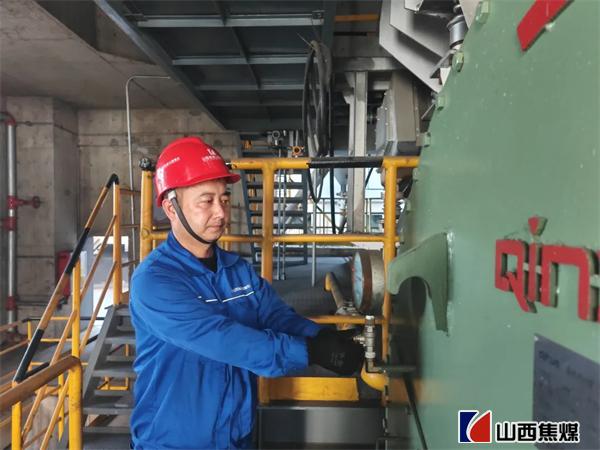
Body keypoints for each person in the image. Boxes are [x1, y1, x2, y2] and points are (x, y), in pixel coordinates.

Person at [129, 136, 364, 449]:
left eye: (224, 199)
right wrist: (310, 352)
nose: (221, 212)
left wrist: (322, 337)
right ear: (171, 208)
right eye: (206, 201)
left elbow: (274, 316)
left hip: (237, 437)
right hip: (174, 442)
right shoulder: (154, 281)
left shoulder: (236, 269)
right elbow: (225, 339)